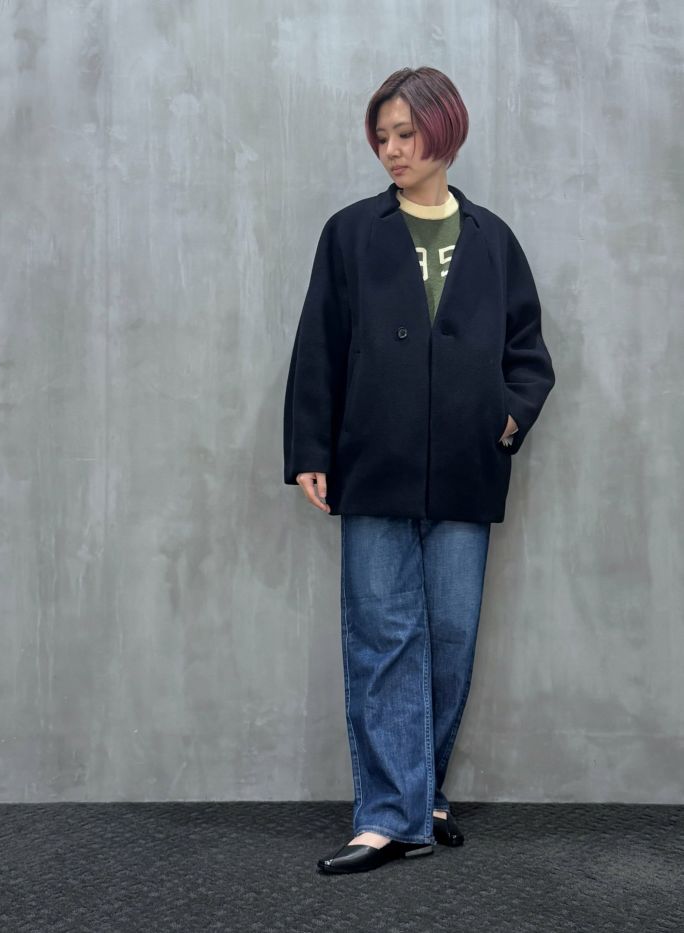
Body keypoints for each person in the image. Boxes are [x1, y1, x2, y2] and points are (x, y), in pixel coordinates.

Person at [282, 66, 556, 875]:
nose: (392, 150)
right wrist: (311, 450)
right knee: (383, 635)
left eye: (406, 134)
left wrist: (507, 416)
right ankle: (387, 818)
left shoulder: (493, 239)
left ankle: (420, 794)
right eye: (383, 137)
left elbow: (529, 353)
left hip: (467, 469)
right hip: (374, 459)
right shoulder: (351, 233)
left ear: (445, 131)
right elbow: (319, 343)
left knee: (450, 638)